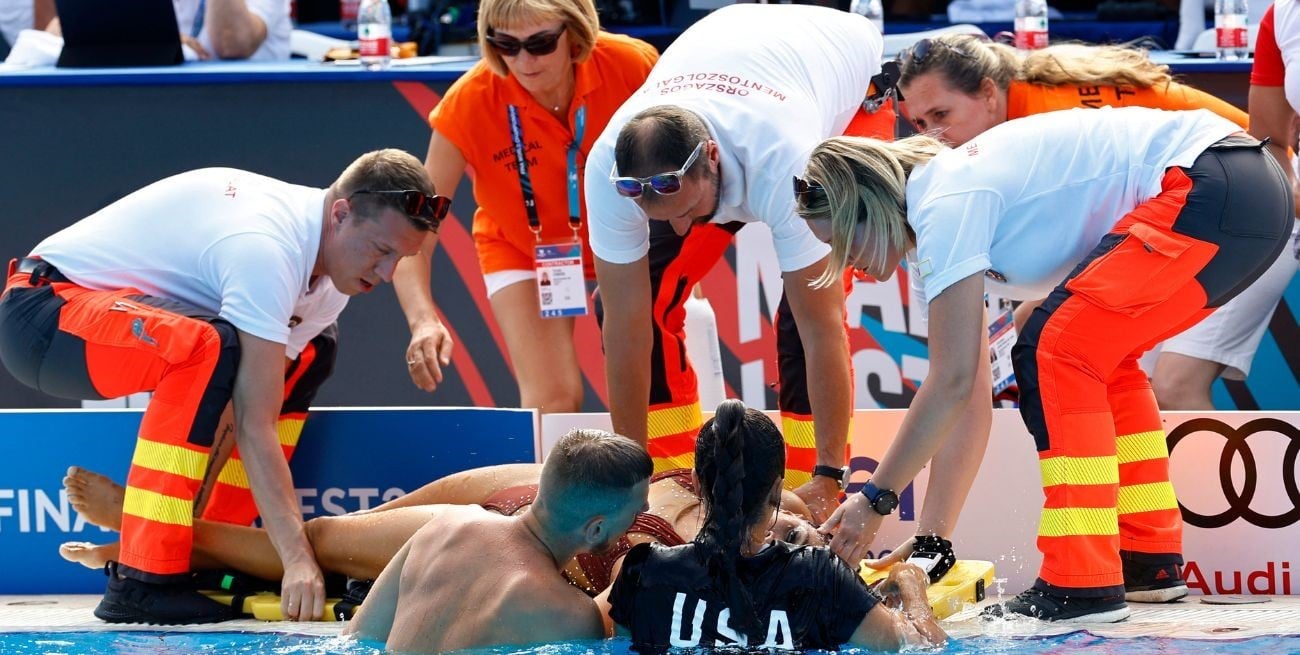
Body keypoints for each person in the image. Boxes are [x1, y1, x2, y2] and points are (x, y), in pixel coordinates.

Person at [799, 107, 1292, 621]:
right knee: (1096, 350)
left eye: (839, 242)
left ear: (871, 208)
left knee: (1053, 347)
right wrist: (932, 539)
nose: (844, 264)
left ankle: (1081, 584)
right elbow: (964, 398)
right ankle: (1147, 559)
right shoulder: (935, 226)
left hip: (1216, 184)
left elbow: (949, 384)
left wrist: (875, 498)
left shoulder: (943, 201)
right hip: (1244, 192)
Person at [0, 149, 446, 624]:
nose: (387, 274)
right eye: (381, 251)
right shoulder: (267, 249)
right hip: (43, 314)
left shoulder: (330, 281)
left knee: (309, 354)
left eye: (401, 258)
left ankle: (211, 550)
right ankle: (141, 578)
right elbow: (254, 424)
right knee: (208, 347)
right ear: (340, 213)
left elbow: (245, 411)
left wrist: (202, 538)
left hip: (103, 315)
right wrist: (297, 559)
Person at [582, 3, 887, 520]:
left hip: (845, 85)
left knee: (800, 315)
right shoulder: (606, 166)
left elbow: (823, 328)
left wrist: (831, 478)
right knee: (640, 301)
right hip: (733, 58)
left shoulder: (790, 162)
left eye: (687, 212)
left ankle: (807, 485)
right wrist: (627, 480)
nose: (680, 229)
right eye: (662, 218)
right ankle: (667, 475)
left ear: (712, 160)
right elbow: (627, 331)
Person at [893, 34, 1297, 411]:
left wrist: (1027, 318)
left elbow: (1099, 244)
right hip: (1216, 195)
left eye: (941, 115)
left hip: (1241, 197)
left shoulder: (1039, 122)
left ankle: (1189, 490)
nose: (934, 138)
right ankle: (1149, 487)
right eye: (921, 124)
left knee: (1173, 384)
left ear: (987, 92)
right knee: (1124, 369)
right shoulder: (1022, 115)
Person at [58, 448, 825, 599]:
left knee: (322, 547)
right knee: (338, 533)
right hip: (528, 492)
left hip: (516, 530)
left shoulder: (743, 551)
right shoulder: (769, 509)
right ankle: (150, 537)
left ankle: (141, 527)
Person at [393, 0, 658, 413]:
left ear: (575, 32)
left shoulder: (630, 63)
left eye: (540, 43)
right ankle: (554, 481)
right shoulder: (469, 101)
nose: (523, 60)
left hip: (629, 237)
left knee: (652, 375)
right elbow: (414, 231)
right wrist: (422, 320)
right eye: (506, 45)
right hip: (523, 247)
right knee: (553, 398)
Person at [606, 399, 945, 652]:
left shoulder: (644, 572)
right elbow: (923, 645)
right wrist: (910, 581)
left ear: (695, 484)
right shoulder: (820, 576)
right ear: (777, 489)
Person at [343, 429, 653, 653]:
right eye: (638, 510)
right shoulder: (568, 615)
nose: (647, 511)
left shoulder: (443, 527)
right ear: (595, 530)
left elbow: (356, 639)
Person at [45, 0, 290, 60]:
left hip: (243, 110)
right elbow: (56, 31)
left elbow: (233, 43)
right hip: (154, 108)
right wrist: (150, 38)